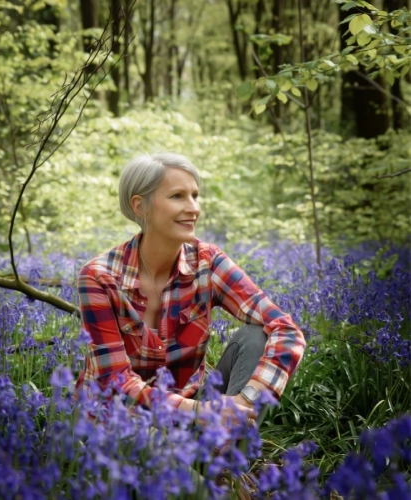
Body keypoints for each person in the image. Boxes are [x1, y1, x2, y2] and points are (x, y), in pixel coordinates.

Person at [76, 152, 305, 428]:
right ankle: (205, 463)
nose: (193, 208)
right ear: (140, 206)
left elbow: (286, 330)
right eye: (177, 197)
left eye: (195, 196)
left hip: (196, 416)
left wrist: (245, 400)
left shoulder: (208, 262)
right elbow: (115, 381)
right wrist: (202, 411)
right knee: (157, 456)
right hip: (121, 420)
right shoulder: (99, 277)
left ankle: (225, 458)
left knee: (256, 336)